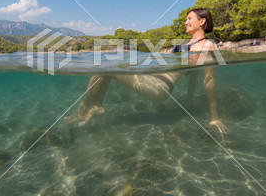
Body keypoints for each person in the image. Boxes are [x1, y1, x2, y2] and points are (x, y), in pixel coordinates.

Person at [64, 8, 229, 134]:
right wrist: (188, 101)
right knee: (109, 68)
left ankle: (82, 111)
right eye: (185, 19)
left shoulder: (207, 45)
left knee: (106, 66)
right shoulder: (187, 44)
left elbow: (208, 80)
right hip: (153, 79)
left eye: (189, 19)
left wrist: (214, 118)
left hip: (159, 86)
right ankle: (97, 107)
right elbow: (192, 75)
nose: (185, 22)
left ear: (202, 21)